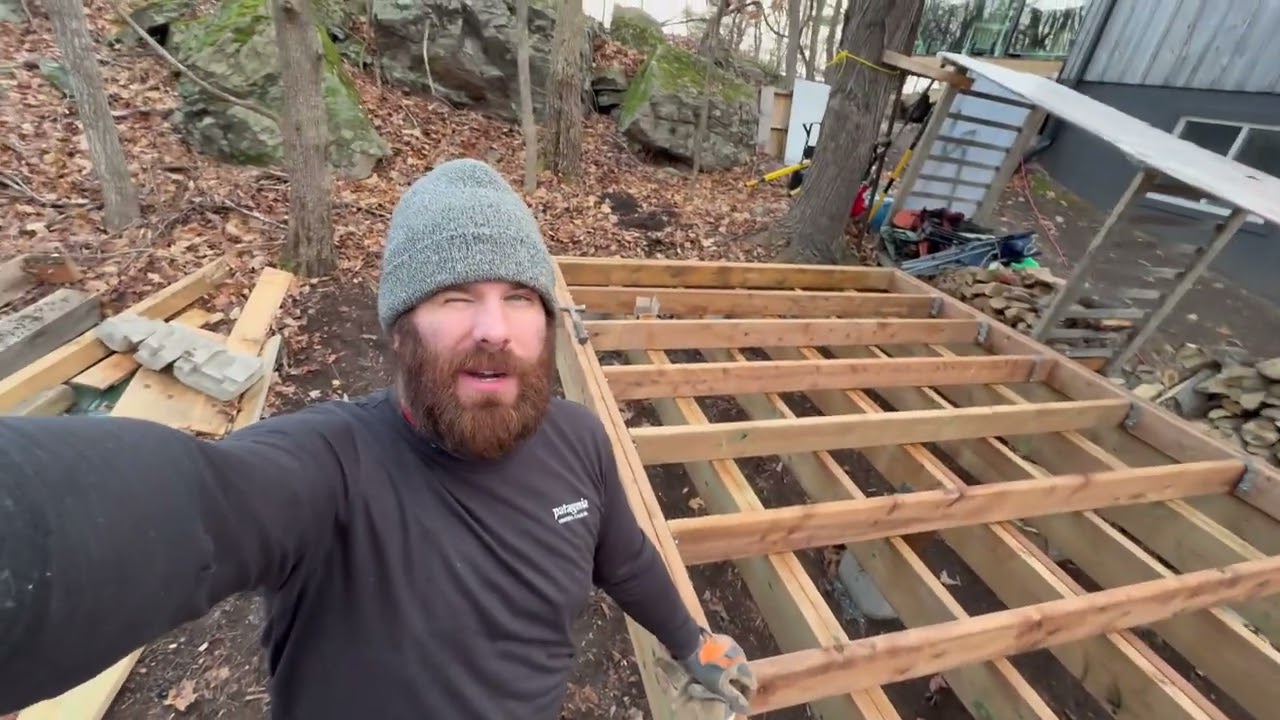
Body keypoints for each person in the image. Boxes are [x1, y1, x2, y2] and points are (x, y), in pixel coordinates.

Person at [0, 159, 757, 718]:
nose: (494, 328)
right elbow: (194, 505)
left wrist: (690, 641)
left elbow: (624, 558)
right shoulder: (331, 470)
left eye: (520, 297)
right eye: (455, 296)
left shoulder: (579, 440)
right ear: (400, 333)